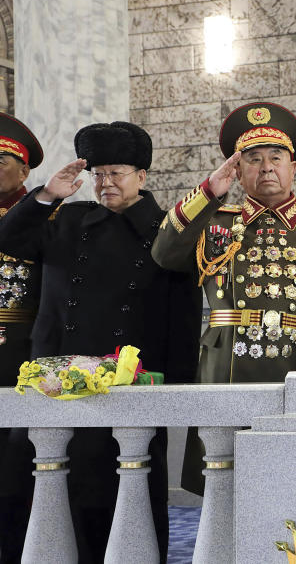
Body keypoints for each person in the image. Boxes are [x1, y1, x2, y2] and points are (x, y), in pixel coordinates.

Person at [0, 121, 201, 563]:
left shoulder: (166, 231)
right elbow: (8, 237)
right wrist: (49, 193)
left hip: (131, 388)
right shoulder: (65, 219)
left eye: (117, 173)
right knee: (60, 497)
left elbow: (184, 316)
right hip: (60, 382)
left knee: (129, 499)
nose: (106, 183)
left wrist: (180, 390)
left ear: (142, 177)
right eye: (99, 174)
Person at [151, 102, 296, 493]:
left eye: (276, 157)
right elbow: (164, 253)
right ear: (238, 170)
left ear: (292, 167)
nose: (266, 167)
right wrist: (209, 191)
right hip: (226, 370)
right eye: (254, 159)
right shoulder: (214, 222)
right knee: (224, 486)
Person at [0, 113, 43, 564]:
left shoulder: (41, 216)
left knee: (17, 474)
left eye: (1, 160)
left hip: (20, 354)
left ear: (25, 170)